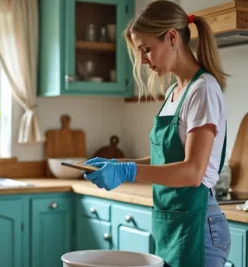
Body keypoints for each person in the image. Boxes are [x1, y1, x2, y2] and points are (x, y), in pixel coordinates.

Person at [83, 1, 231, 267]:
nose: (143, 60)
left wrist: (128, 172)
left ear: (172, 37)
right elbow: (165, 160)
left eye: (146, 49)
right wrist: (118, 164)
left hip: (198, 224)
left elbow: (192, 171)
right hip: (174, 222)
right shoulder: (175, 92)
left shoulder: (203, 90)